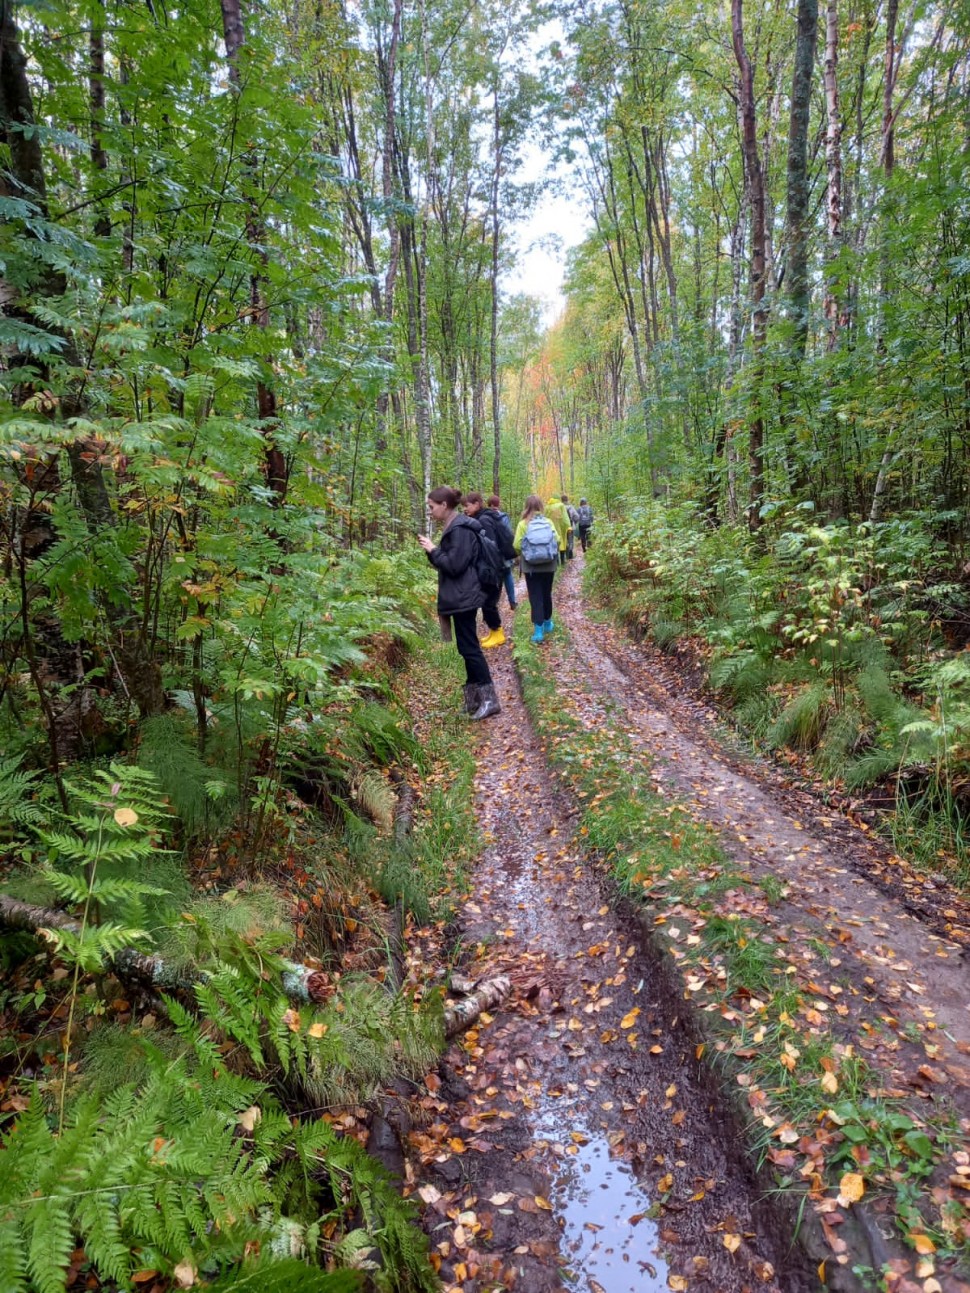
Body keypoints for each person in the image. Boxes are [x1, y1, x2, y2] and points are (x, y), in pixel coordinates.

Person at [418, 487, 501, 719]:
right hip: (460, 595)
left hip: (464, 595)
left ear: (444, 505)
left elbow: (454, 565)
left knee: (470, 648)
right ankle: (474, 699)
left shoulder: (459, 529)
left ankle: (489, 699)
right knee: (466, 648)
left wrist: (434, 550)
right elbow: (448, 563)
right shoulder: (455, 526)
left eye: (431, 507)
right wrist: (432, 552)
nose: (430, 511)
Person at [461, 491, 515, 647]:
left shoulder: (484, 520)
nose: (465, 509)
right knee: (487, 601)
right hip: (493, 566)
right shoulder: (484, 517)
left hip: (492, 568)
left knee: (488, 602)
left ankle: (498, 633)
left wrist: (489, 570)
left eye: (468, 505)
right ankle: (494, 632)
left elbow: (490, 546)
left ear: (477, 504)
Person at [513, 495, 560, 644]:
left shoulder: (523, 524)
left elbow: (516, 545)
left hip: (531, 566)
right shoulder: (548, 522)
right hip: (549, 564)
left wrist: (528, 551)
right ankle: (548, 623)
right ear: (541, 506)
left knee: (535, 596)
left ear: (526, 507)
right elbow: (557, 539)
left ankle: (538, 631)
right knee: (546, 593)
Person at [487, 494, 518, 610]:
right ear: (498, 504)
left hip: (492, 553)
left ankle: (493, 604)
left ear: (489, 504)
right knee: (508, 575)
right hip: (505, 552)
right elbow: (509, 534)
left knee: (496, 579)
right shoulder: (504, 517)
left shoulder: (486, 517)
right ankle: (513, 601)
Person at [546, 494, 571, 566]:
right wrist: (568, 525)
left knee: (553, 544)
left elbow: (545, 517)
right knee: (562, 543)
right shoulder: (561, 505)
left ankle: (556, 563)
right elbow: (565, 517)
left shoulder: (547, 507)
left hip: (550, 528)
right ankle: (562, 562)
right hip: (560, 527)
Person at [563, 494, 579, 560]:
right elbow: (577, 516)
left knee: (563, 540)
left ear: (561, 500)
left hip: (562, 527)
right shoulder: (571, 507)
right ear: (567, 500)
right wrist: (574, 523)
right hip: (570, 526)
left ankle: (563, 556)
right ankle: (570, 555)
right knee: (570, 540)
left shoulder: (560, 507)